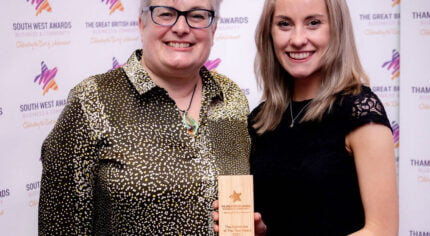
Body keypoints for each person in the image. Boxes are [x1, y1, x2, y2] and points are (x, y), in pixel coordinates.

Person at [38, 0, 251, 235]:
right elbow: (60, 225)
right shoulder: (91, 100)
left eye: (198, 16)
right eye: (166, 14)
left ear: (214, 29)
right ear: (142, 24)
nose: (181, 27)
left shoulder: (231, 99)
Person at [249, 0, 399, 235]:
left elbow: (382, 230)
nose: (297, 40)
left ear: (337, 29)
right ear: (269, 33)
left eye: (314, 23)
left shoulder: (359, 109)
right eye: (284, 24)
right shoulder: (260, 120)